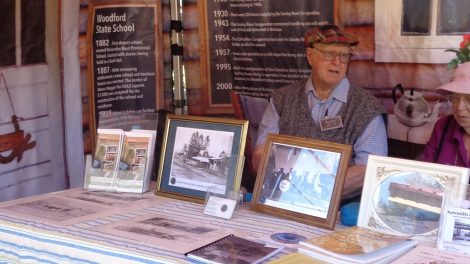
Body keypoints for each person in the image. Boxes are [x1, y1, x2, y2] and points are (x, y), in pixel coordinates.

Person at [252, 24, 388, 202]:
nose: (337, 63)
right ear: (310, 56)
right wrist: (293, 189)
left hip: (338, 210)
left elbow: (369, 169)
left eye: (344, 56)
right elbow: (261, 155)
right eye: (329, 54)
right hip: (283, 200)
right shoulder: (282, 99)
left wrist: (312, 191)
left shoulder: (367, 108)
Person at [420, 62, 470, 167]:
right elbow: (425, 170)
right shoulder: (443, 126)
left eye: (469, 100)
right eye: (455, 98)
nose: (459, 108)